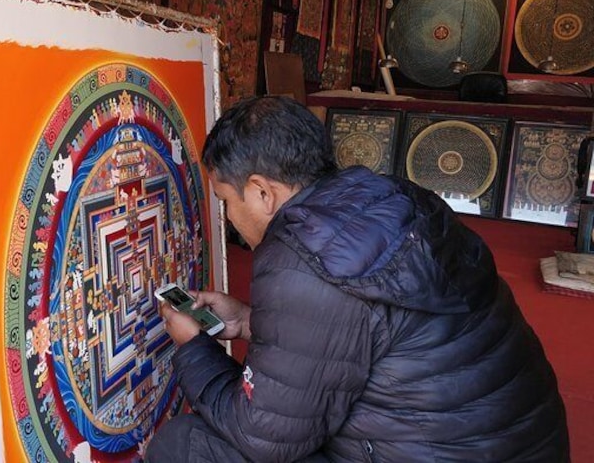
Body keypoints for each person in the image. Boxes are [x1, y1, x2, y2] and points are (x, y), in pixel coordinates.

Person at [147, 96, 568, 462]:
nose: (230, 219)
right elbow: (371, 328)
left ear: (261, 192)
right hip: (514, 442)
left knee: (185, 444)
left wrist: (195, 347)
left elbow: (264, 437)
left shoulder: (298, 258)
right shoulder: (392, 198)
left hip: (443, 448)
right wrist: (247, 320)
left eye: (225, 201)